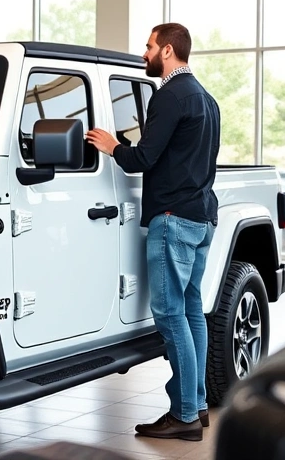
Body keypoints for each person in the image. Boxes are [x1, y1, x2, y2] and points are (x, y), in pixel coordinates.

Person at [86, 23, 220, 442]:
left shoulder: (169, 95)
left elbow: (142, 158)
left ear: (166, 50)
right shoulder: (206, 98)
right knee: (192, 311)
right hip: (201, 217)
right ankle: (196, 406)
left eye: (147, 47)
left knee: (170, 315)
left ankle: (182, 415)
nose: (143, 53)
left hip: (173, 217)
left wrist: (111, 147)